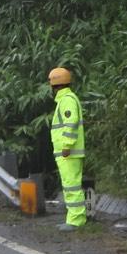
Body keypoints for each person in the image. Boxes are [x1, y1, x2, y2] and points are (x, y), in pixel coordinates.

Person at [49, 65, 87, 229]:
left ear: (54, 85)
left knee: (72, 185)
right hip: (67, 152)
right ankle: (73, 219)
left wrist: (66, 145)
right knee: (70, 185)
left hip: (68, 152)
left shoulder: (67, 100)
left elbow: (70, 123)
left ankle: (76, 221)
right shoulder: (66, 100)